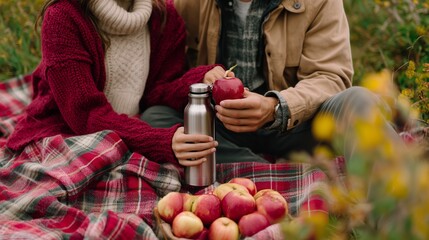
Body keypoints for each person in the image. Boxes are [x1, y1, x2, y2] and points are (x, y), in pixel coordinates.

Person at [142, 0, 404, 163]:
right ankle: (256, 168)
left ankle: (398, 216)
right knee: (155, 117)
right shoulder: (188, 3)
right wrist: (201, 76)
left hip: (295, 126)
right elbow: (170, 78)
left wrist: (275, 108)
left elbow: (331, 77)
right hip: (219, 130)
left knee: (359, 101)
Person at [5, 0, 227, 168]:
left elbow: (156, 92)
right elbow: (85, 115)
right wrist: (158, 141)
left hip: (136, 125)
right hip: (70, 130)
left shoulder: (164, 17)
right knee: (93, 165)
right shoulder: (65, 16)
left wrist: (198, 79)